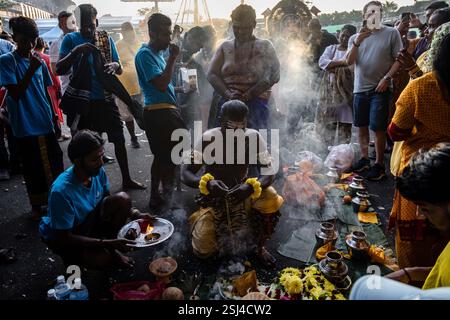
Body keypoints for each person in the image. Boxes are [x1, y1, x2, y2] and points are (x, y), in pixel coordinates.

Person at [181, 100, 284, 267]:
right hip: (214, 199)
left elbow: (269, 170)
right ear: (220, 120)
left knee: (271, 196)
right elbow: (185, 173)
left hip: (243, 193)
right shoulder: (207, 138)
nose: (236, 131)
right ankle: (203, 224)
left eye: (241, 125)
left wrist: (250, 187)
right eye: (231, 125)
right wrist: (208, 184)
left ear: (246, 121)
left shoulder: (254, 137)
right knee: (203, 250)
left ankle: (260, 247)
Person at [56, 4, 145, 191]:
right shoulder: (71, 39)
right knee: (88, 149)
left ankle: (127, 180)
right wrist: (76, 51)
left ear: (97, 21)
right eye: (84, 26)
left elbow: (118, 67)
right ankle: (91, 187)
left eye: (92, 24)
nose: (88, 29)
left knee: (119, 140)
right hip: (84, 102)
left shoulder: (105, 38)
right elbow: (60, 69)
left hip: (105, 99)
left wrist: (114, 65)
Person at [39, 130, 154, 269]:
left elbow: (107, 201)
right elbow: (64, 237)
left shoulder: (96, 171)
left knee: (122, 199)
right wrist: (107, 246)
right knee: (102, 260)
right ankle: (75, 258)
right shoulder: (61, 192)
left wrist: (137, 214)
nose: (100, 162)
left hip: (89, 220)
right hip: (68, 235)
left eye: (101, 156)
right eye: (94, 159)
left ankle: (110, 244)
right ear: (77, 161)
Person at [388, 33, 450, 269]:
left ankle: (413, 279)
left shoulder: (421, 87)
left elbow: (396, 132)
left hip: (422, 171)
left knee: (414, 239)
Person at [0, 17, 64, 220]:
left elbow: (46, 91)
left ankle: (56, 202)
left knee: (55, 163)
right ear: (15, 37)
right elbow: (15, 93)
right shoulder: (7, 61)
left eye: (33, 39)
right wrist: (30, 69)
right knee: (32, 166)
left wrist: (54, 117)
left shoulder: (37, 60)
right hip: (24, 124)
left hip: (44, 119)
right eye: (25, 39)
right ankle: (36, 206)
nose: (29, 44)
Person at [346, 1, 403, 181]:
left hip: (380, 88)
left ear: (381, 14)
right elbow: (348, 61)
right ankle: (364, 159)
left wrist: (387, 78)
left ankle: (378, 165)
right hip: (359, 89)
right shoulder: (355, 37)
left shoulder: (391, 33)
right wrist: (358, 41)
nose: (373, 15)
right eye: (370, 12)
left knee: (378, 128)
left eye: (377, 12)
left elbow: (399, 59)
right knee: (361, 126)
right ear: (364, 16)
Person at [135, 13, 186, 210]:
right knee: (165, 156)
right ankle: (163, 196)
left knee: (166, 155)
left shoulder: (156, 54)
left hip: (166, 111)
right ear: (152, 34)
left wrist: (180, 89)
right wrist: (173, 58)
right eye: (165, 35)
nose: (168, 39)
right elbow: (162, 84)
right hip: (157, 113)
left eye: (169, 34)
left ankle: (161, 195)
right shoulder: (144, 55)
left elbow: (167, 86)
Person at [207, 4, 280, 131]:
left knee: (255, 146)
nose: (240, 32)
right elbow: (211, 74)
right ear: (232, 25)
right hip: (227, 103)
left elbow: (275, 74)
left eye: (246, 28)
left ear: (254, 24)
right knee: (222, 146)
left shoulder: (265, 46)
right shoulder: (225, 47)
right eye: (237, 27)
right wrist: (228, 94)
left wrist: (250, 94)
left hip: (256, 104)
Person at [316, 24, 356, 147]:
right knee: (329, 124)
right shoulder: (331, 49)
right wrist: (343, 63)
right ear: (339, 34)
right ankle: (328, 152)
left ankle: (343, 154)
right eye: (343, 35)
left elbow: (353, 68)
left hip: (346, 95)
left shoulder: (353, 51)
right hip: (330, 94)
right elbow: (322, 62)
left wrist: (334, 67)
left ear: (353, 39)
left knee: (345, 127)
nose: (344, 38)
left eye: (348, 37)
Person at [176, 26, 208, 131]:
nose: (200, 48)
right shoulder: (179, 54)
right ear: (190, 39)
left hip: (187, 106)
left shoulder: (188, 56)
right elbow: (191, 86)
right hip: (182, 107)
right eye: (199, 44)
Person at [115, 22, 141, 149]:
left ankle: (150, 134)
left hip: (140, 86)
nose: (130, 34)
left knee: (142, 113)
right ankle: (133, 137)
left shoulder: (139, 44)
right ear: (123, 32)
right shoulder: (117, 46)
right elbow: (113, 63)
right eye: (126, 31)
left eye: (131, 31)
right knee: (127, 115)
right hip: (123, 87)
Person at [34, 37, 64, 137]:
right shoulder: (46, 58)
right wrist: (59, 87)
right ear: (43, 46)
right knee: (54, 110)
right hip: (50, 88)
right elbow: (54, 76)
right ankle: (57, 132)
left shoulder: (31, 57)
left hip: (37, 90)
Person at [49, 11, 78, 95]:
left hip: (90, 92)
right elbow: (55, 71)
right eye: (66, 23)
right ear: (60, 26)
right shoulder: (56, 44)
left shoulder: (84, 39)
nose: (71, 26)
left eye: (72, 22)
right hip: (69, 92)